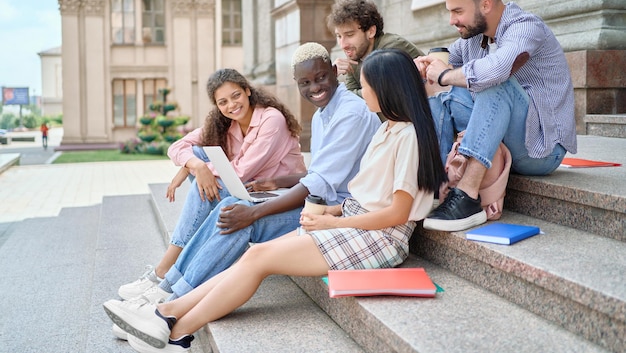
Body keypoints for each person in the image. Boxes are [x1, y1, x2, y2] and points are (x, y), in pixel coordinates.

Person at [103, 48, 447, 352]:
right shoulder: (388, 128)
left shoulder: (407, 135)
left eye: (367, 84)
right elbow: (371, 194)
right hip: (354, 222)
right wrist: (333, 210)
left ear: (387, 89)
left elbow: (397, 213)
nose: (360, 90)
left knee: (258, 259)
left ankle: (171, 323)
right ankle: (165, 317)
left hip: (379, 238)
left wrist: (334, 221)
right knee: (254, 255)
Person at [117, 69, 307, 301]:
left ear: (248, 91)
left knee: (211, 181)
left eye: (236, 96)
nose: (232, 105)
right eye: (223, 102)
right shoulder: (226, 124)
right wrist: (195, 165)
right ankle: (169, 268)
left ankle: (164, 268)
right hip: (249, 190)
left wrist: (197, 170)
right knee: (200, 156)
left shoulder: (271, 119)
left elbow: (241, 171)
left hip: (282, 197)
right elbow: (177, 147)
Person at [415, 0, 577, 232]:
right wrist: (422, 66)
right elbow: (444, 62)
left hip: (540, 149)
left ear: (486, 5)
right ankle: (438, 186)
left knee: (494, 83)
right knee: (439, 97)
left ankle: (466, 196)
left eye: (458, 11)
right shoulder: (472, 38)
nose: (452, 20)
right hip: (502, 137)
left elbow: (497, 69)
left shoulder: (525, 28)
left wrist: (444, 75)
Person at [326, 0, 424, 97]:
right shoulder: (356, 55)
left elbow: (375, 95)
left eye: (350, 35)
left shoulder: (391, 48)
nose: (343, 45)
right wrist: (331, 76)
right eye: (339, 36)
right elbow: (350, 101)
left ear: (371, 32)